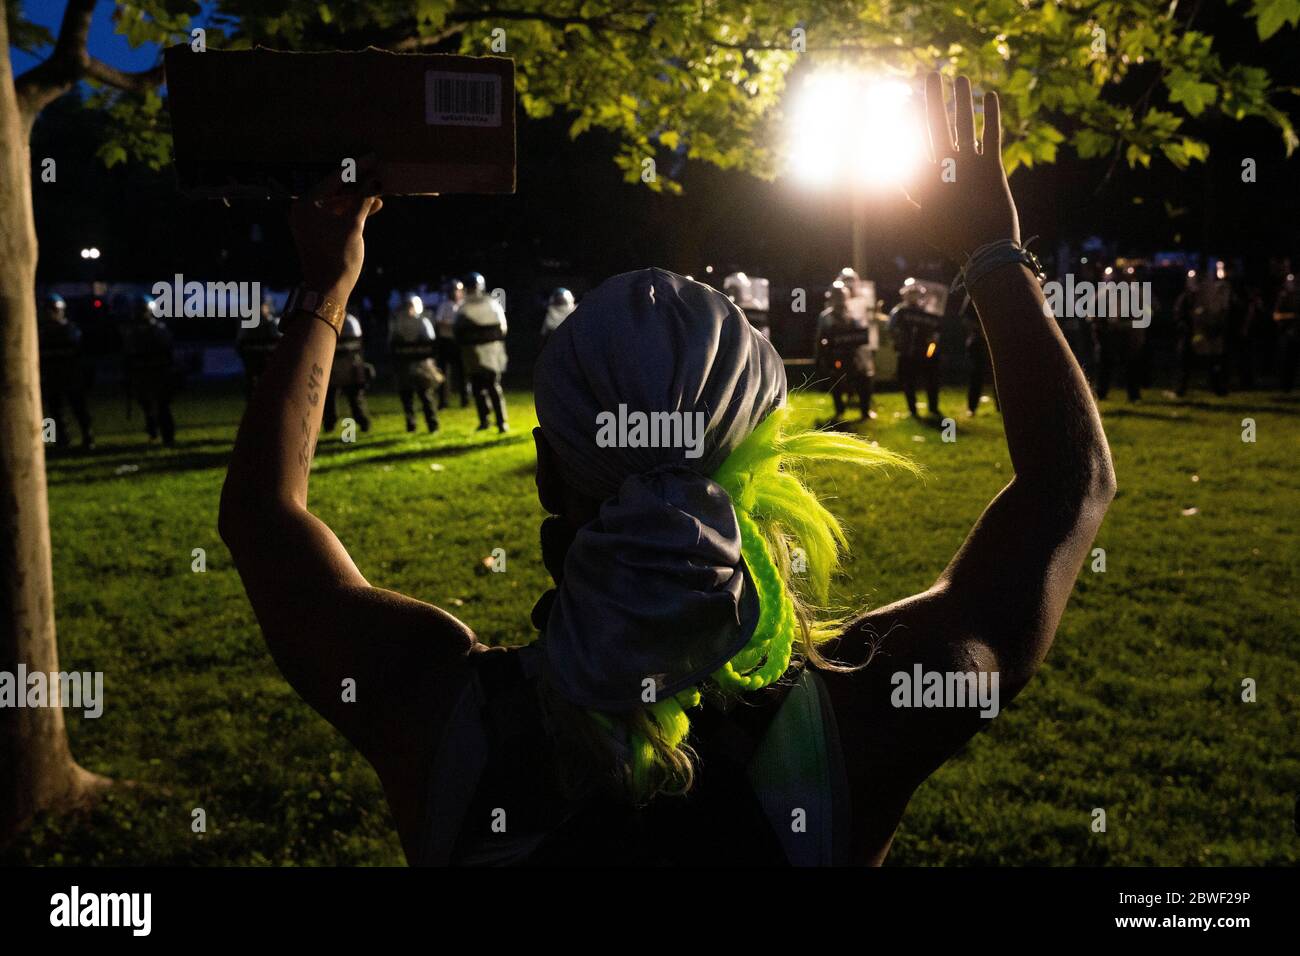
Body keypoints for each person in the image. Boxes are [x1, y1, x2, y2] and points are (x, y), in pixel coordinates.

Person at [219, 74, 1115, 866]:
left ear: (544, 476)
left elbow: (264, 521)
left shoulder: (428, 704)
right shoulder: (864, 719)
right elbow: (1068, 490)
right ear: (763, 466)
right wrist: (993, 253)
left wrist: (325, 284)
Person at [37, 293, 94, 450]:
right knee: (55, 410)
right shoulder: (41, 332)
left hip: (70, 375)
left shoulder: (70, 329)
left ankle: (87, 436)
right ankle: (61, 438)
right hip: (52, 376)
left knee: (78, 407)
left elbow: (77, 351)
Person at [456, 272, 509, 433]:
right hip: (485, 353)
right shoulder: (488, 304)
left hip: (480, 354)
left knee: (485, 388)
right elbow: (502, 329)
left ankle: (494, 421)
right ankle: (495, 422)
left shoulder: (466, 307)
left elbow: (457, 331)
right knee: (487, 387)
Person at [816, 282, 877, 421]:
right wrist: (822, 357)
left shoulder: (854, 314)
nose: (839, 300)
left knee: (863, 381)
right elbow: (820, 338)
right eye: (836, 297)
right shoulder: (826, 317)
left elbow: (862, 333)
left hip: (854, 355)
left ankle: (865, 410)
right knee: (837, 383)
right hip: (836, 356)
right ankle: (840, 410)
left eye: (841, 297)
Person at [122, 293, 177, 446]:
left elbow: (167, 353)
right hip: (142, 374)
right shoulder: (132, 332)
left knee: (162, 406)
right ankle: (153, 431)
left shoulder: (159, 330)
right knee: (147, 406)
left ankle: (167, 436)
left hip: (158, 373)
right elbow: (128, 355)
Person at [889, 278, 943, 417]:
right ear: (905, 294)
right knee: (908, 382)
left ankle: (933, 408)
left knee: (931, 380)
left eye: (915, 293)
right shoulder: (899, 311)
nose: (913, 295)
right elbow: (891, 329)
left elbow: (936, 330)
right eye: (910, 293)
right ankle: (912, 410)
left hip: (926, 352)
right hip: (907, 353)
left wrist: (932, 344)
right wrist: (899, 343)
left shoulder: (928, 311)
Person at [1174, 265, 1230, 396]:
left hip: (1207, 335)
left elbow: (1216, 314)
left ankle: (1218, 388)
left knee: (1214, 362)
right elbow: (1179, 316)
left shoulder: (1208, 297)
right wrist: (1188, 329)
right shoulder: (1185, 298)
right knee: (1184, 363)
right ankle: (1181, 389)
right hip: (1190, 335)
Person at [388, 295, 441, 434]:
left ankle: (432, 424)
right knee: (407, 397)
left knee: (425, 396)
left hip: (421, 365)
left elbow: (430, 345)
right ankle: (411, 425)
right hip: (405, 366)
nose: (409, 310)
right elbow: (393, 343)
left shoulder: (422, 322)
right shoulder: (398, 323)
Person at [323, 310, 372, 433]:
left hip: (346, 367)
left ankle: (362, 423)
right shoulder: (336, 320)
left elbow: (355, 346)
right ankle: (330, 425)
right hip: (337, 367)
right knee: (331, 399)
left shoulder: (349, 322)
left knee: (353, 399)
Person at [433, 279, 469, 409]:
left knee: (463, 372)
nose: (456, 293)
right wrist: (454, 325)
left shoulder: (464, 305)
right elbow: (439, 322)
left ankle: (465, 400)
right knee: (444, 373)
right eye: (453, 290)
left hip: (460, 342)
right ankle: (443, 401)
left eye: (458, 290)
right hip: (446, 341)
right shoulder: (444, 305)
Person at [236, 297, 283, 398]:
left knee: (266, 380)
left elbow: (277, 338)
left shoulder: (272, 321)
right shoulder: (248, 323)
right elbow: (241, 340)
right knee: (252, 380)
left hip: (265, 354)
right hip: (254, 354)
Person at [1273, 273, 1299, 391]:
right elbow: (1276, 315)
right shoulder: (1283, 297)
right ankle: (1285, 386)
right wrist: (1292, 316)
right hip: (1287, 334)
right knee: (1286, 362)